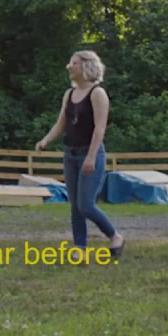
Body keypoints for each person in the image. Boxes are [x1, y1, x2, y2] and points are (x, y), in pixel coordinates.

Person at [35, 50, 125, 260]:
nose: (69, 66)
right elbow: (61, 124)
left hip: (90, 153)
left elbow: (100, 129)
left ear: (86, 66)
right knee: (75, 206)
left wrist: (91, 157)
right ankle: (80, 247)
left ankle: (115, 236)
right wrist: (46, 140)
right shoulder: (69, 94)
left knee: (86, 205)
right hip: (70, 154)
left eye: (73, 63)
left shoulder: (97, 93)